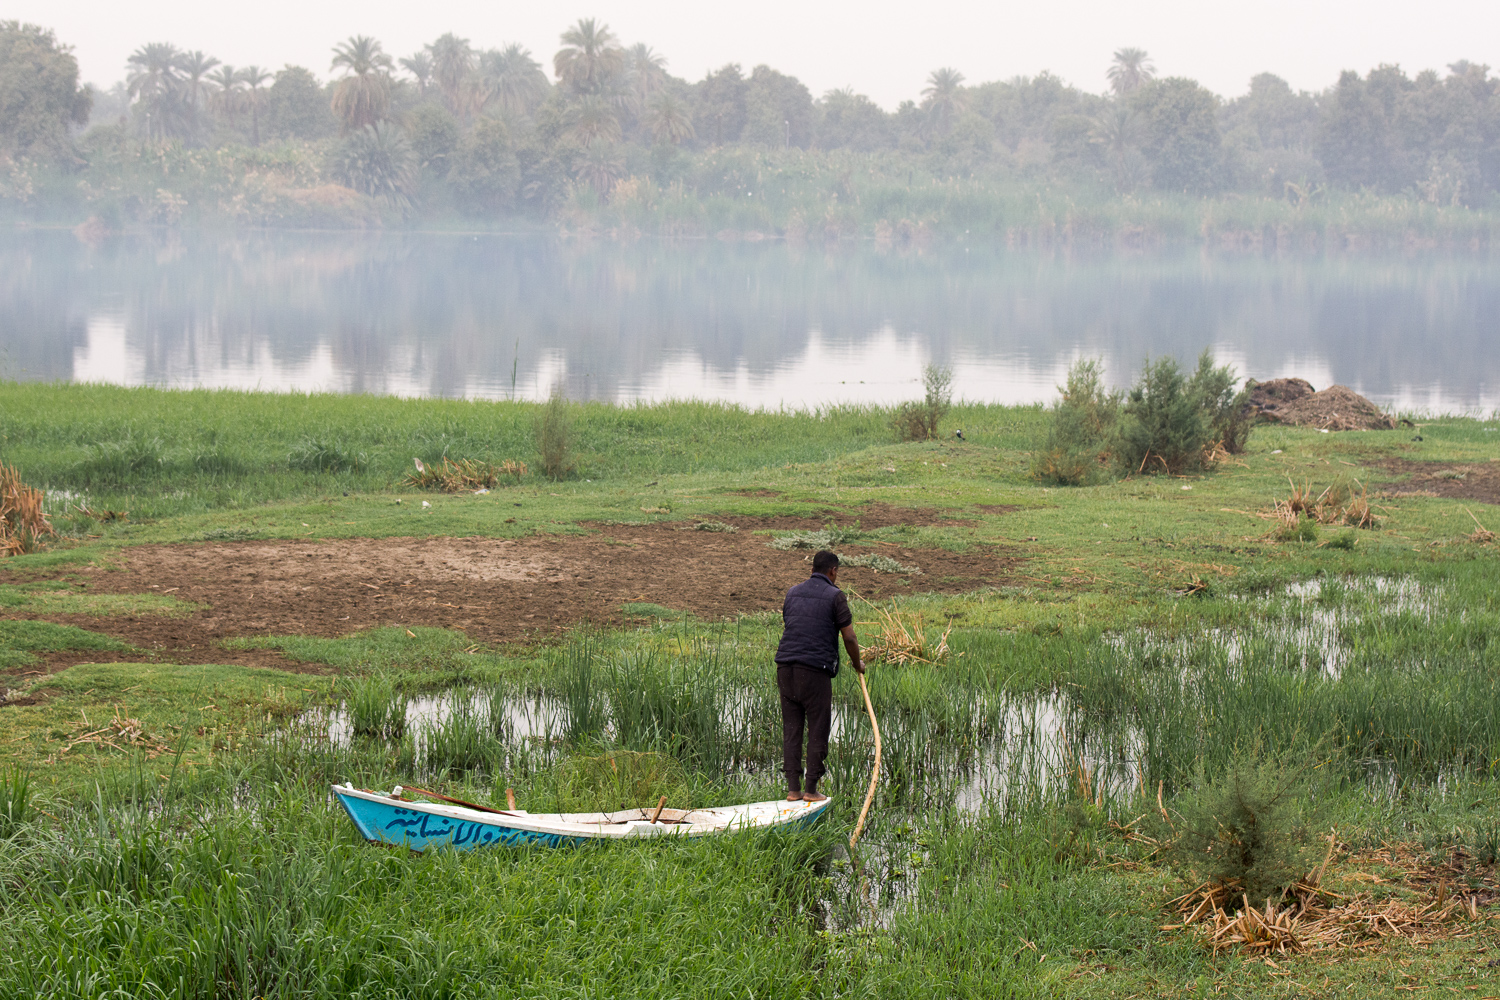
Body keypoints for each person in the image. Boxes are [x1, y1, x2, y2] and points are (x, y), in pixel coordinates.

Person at [773, 550, 863, 803]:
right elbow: (849, 637)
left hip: (785, 668)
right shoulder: (836, 596)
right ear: (833, 571)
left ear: (813, 569)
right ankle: (811, 790)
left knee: (792, 730)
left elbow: (793, 624)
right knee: (818, 729)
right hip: (813, 671)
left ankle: (793, 790)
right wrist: (858, 664)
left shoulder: (792, 592)